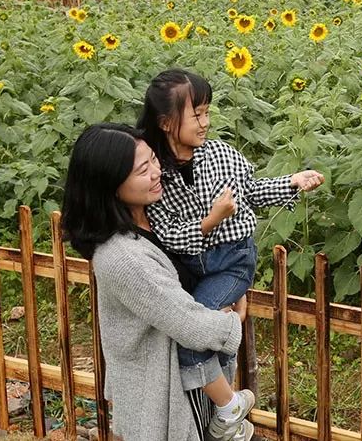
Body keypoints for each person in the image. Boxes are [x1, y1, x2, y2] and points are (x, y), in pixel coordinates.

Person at [136, 69, 324, 437]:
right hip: (189, 265)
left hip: (231, 264)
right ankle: (227, 413)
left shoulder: (221, 155)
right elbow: (169, 235)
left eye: (208, 112)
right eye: (197, 115)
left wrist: (292, 182)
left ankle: (226, 408)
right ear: (165, 122)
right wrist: (211, 220)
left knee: (195, 333)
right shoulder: (156, 173)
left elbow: (251, 191)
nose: (206, 123)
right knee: (201, 332)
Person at [61, 123, 254, 441]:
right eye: (142, 170)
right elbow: (186, 321)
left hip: (189, 373)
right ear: (109, 184)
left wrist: (232, 283)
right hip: (162, 389)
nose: (156, 172)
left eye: (154, 160)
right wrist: (233, 321)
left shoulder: (159, 216)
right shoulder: (123, 257)